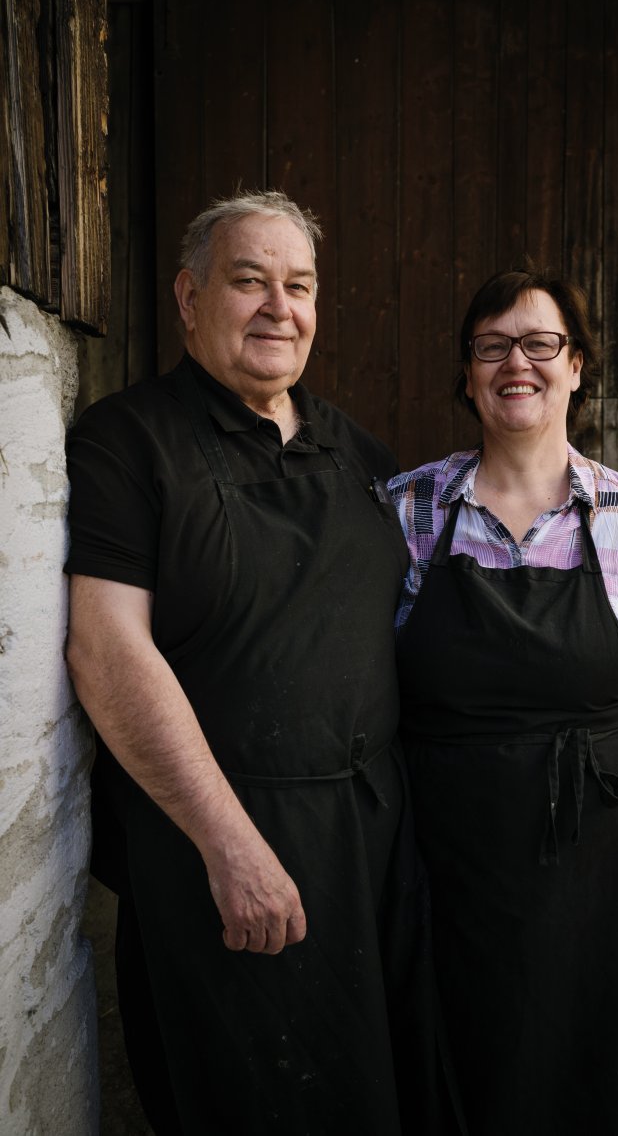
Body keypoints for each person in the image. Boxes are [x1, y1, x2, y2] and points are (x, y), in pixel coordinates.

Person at [65, 190, 452, 1136]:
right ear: (190, 298)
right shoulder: (129, 441)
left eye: (301, 285)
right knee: (255, 1100)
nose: (281, 306)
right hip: (226, 837)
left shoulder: (357, 450)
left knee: (381, 1084)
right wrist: (229, 846)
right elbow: (108, 649)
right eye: (250, 281)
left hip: (369, 836)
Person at [389, 266, 618, 1135]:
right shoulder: (408, 511)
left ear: (577, 365)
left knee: (592, 1090)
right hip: (444, 876)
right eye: (491, 346)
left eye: (541, 343)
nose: (516, 364)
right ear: (466, 374)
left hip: (598, 888)